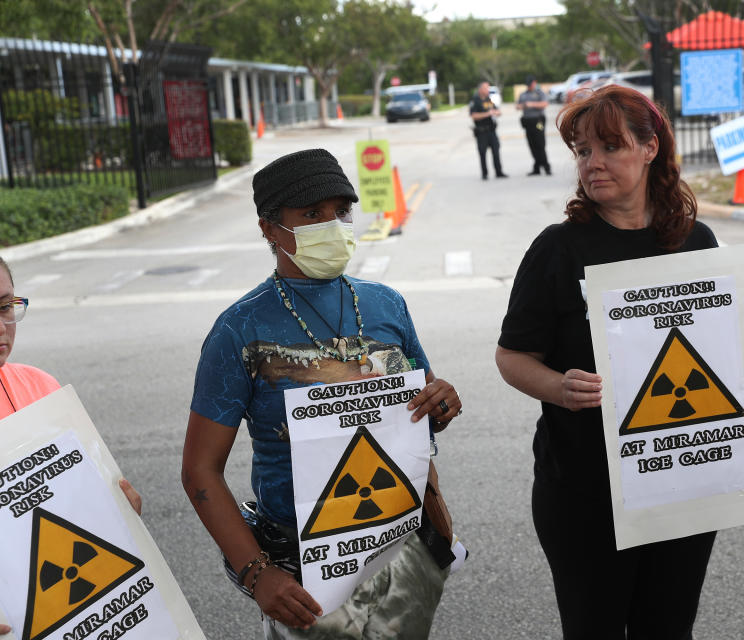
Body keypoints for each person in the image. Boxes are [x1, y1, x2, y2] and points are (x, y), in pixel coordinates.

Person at [494, 84, 744, 639]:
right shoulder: (557, 248)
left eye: (609, 146)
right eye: (582, 151)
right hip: (584, 492)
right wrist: (558, 387)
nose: (593, 164)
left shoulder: (696, 241)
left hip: (683, 485)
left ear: (651, 147)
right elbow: (512, 356)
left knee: (668, 630)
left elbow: (715, 358)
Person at [181, 148, 463, 639]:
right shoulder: (238, 330)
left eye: (341, 212)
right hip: (305, 572)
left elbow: (420, 410)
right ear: (270, 229)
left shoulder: (386, 304)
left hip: (402, 545)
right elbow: (200, 471)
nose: (332, 225)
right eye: (312, 214)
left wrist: (440, 402)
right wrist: (256, 572)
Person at [0, 256, 142, 637]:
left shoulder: (41, 388)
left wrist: (119, 518)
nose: (1, 327)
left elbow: (84, 502)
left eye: (5, 306)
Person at [469, 81, 507, 180]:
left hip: (492, 130)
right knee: (482, 153)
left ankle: (499, 172)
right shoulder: (475, 100)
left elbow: (498, 111)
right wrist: (487, 114)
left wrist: (496, 112)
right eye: (486, 88)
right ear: (480, 89)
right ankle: (484, 173)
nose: (488, 90)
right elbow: (473, 116)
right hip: (481, 132)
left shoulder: (488, 100)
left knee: (496, 151)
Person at [516, 75, 551, 176]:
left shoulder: (539, 93)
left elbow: (545, 104)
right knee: (532, 144)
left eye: (530, 84)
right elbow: (517, 106)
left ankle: (546, 166)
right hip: (528, 122)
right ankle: (537, 167)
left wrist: (531, 104)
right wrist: (523, 105)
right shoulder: (523, 95)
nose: (529, 86)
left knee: (540, 143)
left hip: (538, 122)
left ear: (534, 83)